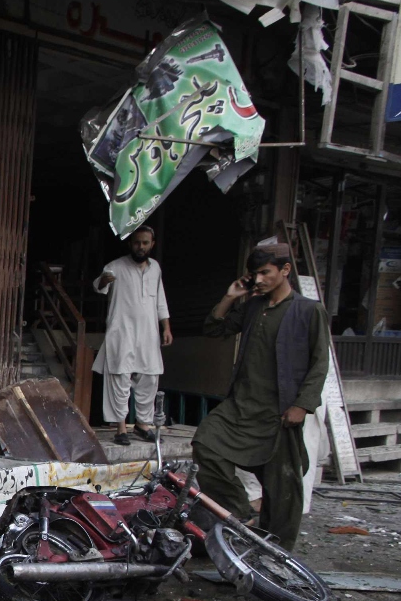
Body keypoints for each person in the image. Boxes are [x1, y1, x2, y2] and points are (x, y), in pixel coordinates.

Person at [191, 244, 329, 550]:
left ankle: (275, 554)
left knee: (282, 488)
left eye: (266, 272)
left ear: (285, 270)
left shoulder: (308, 310)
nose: (259, 279)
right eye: (255, 273)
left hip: (278, 413)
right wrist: (230, 296)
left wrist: (302, 405)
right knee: (205, 443)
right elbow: (214, 329)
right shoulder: (253, 306)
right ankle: (240, 511)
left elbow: (320, 362)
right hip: (240, 406)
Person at [92, 225, 173, 445]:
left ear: (151, 244)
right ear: (130, 244)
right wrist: (103, 281)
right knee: (120, 377)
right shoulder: (115, 266)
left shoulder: (155, 268)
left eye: (145, 243)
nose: (141, 247)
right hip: (121, 332)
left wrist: (166, 327)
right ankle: (120, 429)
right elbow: (98, 286)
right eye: (137, 242)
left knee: (149, 377)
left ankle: (142, 425)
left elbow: (160, 300)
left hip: (148, 334)